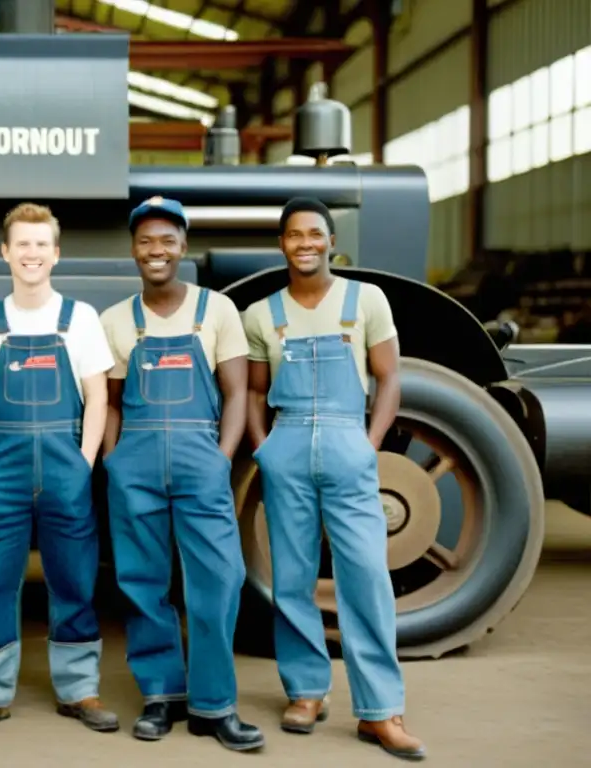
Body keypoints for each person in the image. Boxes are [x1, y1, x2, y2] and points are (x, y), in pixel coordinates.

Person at [242, 197, 426, 761]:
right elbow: (252, 391)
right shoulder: (261, 314)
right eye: (294, 235)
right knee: (292, 576)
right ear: (282, 244)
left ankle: (380, 711)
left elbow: (390, 377)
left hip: (349, 441)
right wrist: (264, 449)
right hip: (287, 445)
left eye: (315, 234)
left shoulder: (365, 300)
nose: (305, 243)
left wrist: (368, 444)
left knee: (367, 576)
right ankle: (306, 692)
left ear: (330, 240)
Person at [100, 196, 263, 753]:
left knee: (219, 581)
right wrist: (112, 458)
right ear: (133, 249)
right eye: (145, 241)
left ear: (183, 246)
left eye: (167, 240)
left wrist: (221, 456)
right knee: (142, 581)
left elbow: (238, 390)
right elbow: (113, 401)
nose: (156, 250)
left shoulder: (215, 310)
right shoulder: (116, 320)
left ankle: (215, 704)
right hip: (135, 459)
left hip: (201, 455)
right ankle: (160, 696)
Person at [0, 203, 119, 736]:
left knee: (73, 578)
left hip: (66, 466)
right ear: (6, 252)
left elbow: (97, 396)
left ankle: (79, 688)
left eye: (41, 244)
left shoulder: (80, 319)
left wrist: (85, 460)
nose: (31, 253)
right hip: (0, 468)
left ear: (56, 254)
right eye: (22, 244)